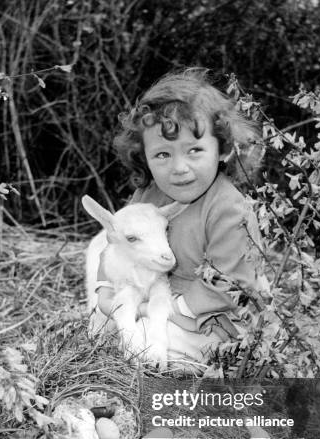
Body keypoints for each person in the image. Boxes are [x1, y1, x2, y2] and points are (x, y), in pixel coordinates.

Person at [96, 68, 270, 371]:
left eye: (194, 150)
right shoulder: (148, 196)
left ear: (223, 150)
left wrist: (153, 311)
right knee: (101, 330)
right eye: (163, 154)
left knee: (155, 349)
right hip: (155, 294)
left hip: (210, 315)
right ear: (144, 157)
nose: (179, 167)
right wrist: (105, 291)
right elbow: (118, 245)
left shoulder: (229, 209)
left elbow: (229, 285)